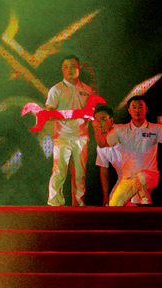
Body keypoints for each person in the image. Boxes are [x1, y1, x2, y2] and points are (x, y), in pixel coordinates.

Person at [93, 96, 162, 206]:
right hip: (127, 179)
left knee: (141, 177)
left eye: (140, 107)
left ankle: (145, 205)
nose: (137, 110)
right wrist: (95, 128)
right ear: (129, 110)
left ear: (146, 109)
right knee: (114, 205)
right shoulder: (121, 130)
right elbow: (103, 144)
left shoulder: (156, 129)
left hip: (148, 176)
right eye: (134, 107)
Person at [46, 56, 95, 207]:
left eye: (72, 66)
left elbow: (89, 113)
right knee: (59, 172)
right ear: (62, 70)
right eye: (66, 67)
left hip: (81, 138)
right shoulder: (56, 89)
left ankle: (79, 205)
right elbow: (49, 112)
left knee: (80, 174)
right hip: (62, 137)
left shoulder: (87, 90)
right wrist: (53, 114)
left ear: (79, 68)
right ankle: (55, 204)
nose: (69, 70)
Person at [92, 105, 122, 206]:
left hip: (139, 174)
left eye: (103, 119)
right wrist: (105, 195)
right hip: (123, 178)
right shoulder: (99, 145)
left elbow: (105, 143)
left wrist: (96, 130)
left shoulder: (121, 130)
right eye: (96, 121)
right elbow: (104, 170)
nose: (99, 123)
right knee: (111, 204)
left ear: (111, 120)